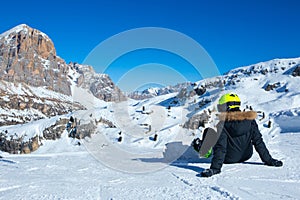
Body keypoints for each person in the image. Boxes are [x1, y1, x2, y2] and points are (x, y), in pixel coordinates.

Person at [201, 93, 283, 177]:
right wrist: (269, 160)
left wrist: (215, 169)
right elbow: (258, 141)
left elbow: (221, 147)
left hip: (229, 159)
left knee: (208, 131)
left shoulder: (222, 124)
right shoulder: (250, 120)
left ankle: (205, 152)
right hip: (246, 155)